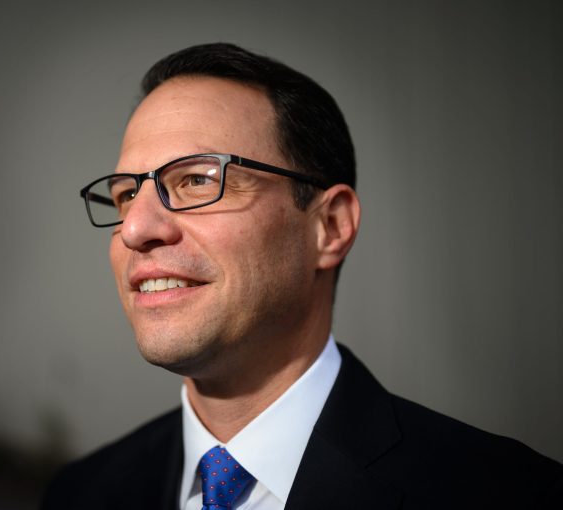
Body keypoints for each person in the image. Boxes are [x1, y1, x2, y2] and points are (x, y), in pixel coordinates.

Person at [42, 43, 561, 509]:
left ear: (329, 227)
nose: (135, 228)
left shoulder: (510, 494)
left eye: (198, 179)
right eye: (127, 194)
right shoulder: (81, 493)